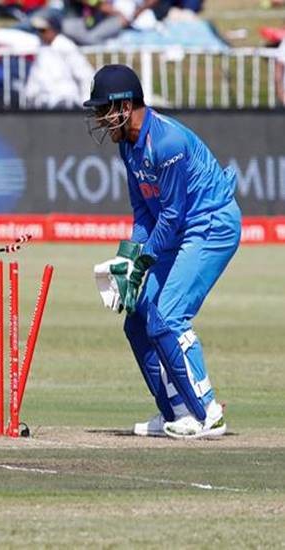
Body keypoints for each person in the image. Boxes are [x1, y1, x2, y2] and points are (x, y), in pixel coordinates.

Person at [87, 65, 240, 439]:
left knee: (168, 317)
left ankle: (208, 414)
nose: (100, 119)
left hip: (210, 225)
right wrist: (127, 258)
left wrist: (141, 263)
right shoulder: (128, 146)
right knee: (139, 320)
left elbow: (171, 214)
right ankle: (178, 412)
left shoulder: (167, 142)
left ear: (125, 106)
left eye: (104, 109)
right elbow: (144, 213)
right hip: (180, 228)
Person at [23, 13, 93, 108]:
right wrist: (30, 95)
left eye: (43, 30)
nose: (40, 34)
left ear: (54, 30)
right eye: (38, 30)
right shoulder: (41, 47)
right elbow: (36, 74)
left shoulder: (66, 46)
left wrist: (85, 103)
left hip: (66, 101)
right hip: (44, 103)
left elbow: (85, 75)